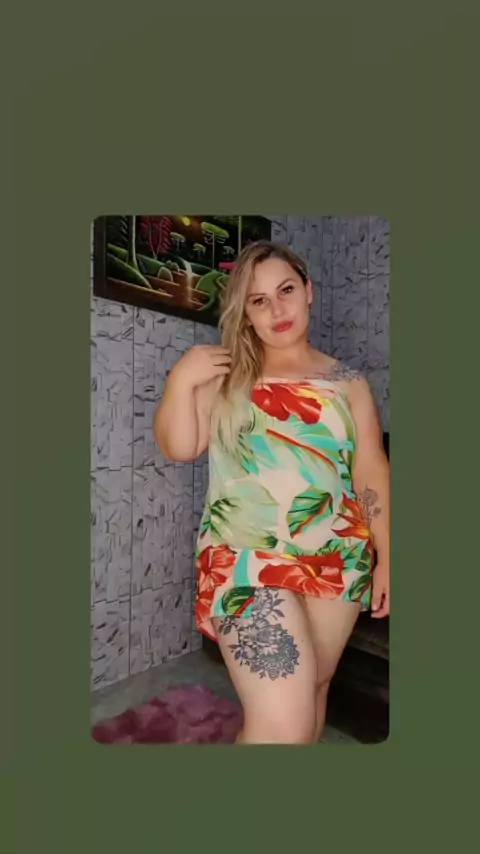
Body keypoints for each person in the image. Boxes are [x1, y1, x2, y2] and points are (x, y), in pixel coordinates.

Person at [153, 240, 390, 744]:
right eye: (258, 300)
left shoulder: (349, 383)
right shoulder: (225, 375)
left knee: (313, 693)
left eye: (285, 291)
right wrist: (180, 380)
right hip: (244, 555)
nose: (277, 309)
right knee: (283, 724)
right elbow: (180, 446)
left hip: (338, 556)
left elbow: (370, 469)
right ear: (246, 312)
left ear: (308, 290)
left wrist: (387, 552)